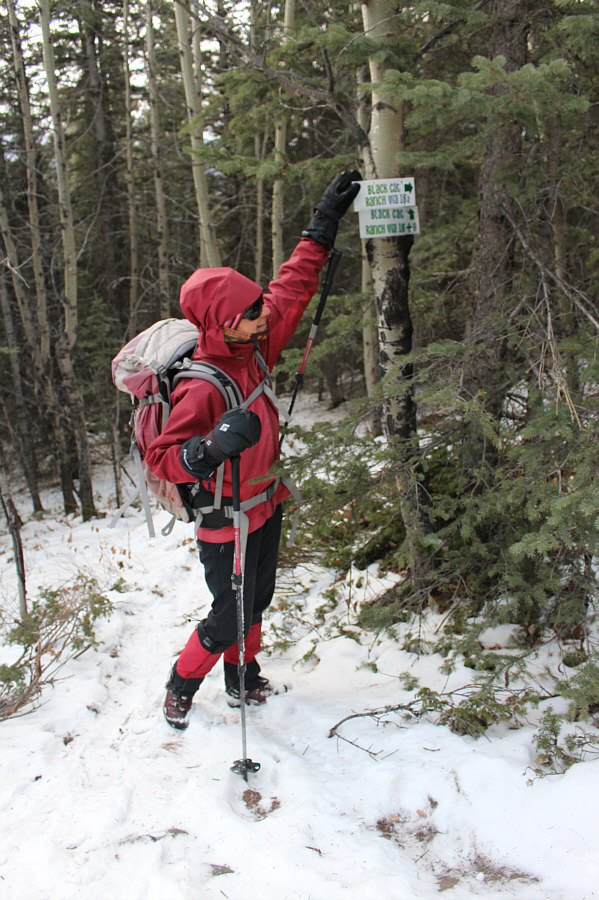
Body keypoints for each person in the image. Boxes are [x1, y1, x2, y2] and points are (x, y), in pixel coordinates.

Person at [145, 171, 361, 729]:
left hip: (266, 501)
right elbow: (164, 459)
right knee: (229, 613)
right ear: (223, 324)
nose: (264, 315)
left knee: (255, 602)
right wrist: (210, 447)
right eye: (250, 314)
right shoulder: (202, 384)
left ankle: (242, 679)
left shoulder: (257, 343)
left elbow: (291, 287)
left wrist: (322, 224)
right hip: (224, 517)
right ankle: (181, 683)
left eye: (258, 306)